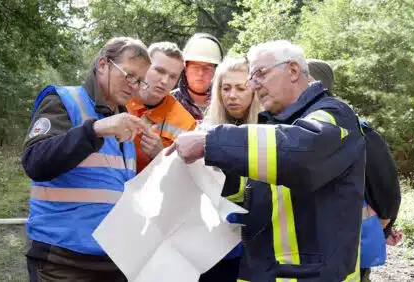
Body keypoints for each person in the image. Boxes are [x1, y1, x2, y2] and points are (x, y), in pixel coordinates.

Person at [167, 40, 365, 282]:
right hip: (264, 270)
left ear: (293, 71)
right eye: (251, 77)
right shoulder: (274, 125)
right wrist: (209, 175)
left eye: (260, 73)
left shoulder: (334, 115)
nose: (253, 84)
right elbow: (251, 191)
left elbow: (297, 155)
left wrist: (210, 142)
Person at [22, 37, 151, 282]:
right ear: (103, 64)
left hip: (114, 262)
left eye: (140, 81)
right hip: (62, 262)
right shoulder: (64, 100)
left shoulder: (124, 122)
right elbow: (34, 162)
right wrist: (94, 131)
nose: (134, 86)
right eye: (130, 75)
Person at [307, 58, 403, 282]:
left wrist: (385, 225)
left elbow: (386, 184)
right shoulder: (290, 124)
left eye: (305, 78)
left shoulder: (354, 127)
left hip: (351, 245)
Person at [198, 58, 263, 282]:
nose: (232, 95)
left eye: (240, 88)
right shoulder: (203, 131)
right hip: (213, 246)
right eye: (226, 88)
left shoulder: (270, 132)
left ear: (254, 91)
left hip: (256, 245)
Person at [126, 42, 196, 173]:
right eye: (159, 71)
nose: (165, 81)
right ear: (143, 66)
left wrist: (160, 156)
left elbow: (186, 177)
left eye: (173, 76)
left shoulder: (187, 124)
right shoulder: (119, 95)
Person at [172, 33, 224, 120]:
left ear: (216, 71)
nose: (201, 73)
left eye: (207, 68)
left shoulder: (226, 103)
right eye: (195, 67)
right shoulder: (168, 102)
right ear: (185, 69)